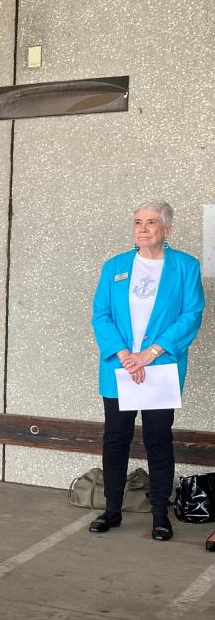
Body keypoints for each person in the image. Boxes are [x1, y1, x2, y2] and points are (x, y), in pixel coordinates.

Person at [89, 200, 205, 540]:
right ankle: (111, 511)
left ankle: (159, 516)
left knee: (158, 438)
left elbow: (191, 314)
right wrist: (126, 355)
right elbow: (102, 315)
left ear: (166, 229)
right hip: (120, 366)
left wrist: (150, 354)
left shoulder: (184, 266)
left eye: (151, 222)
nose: (142, 228)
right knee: (115, 439)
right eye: (138, 221)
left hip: (161, 367)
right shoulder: (115, 267)